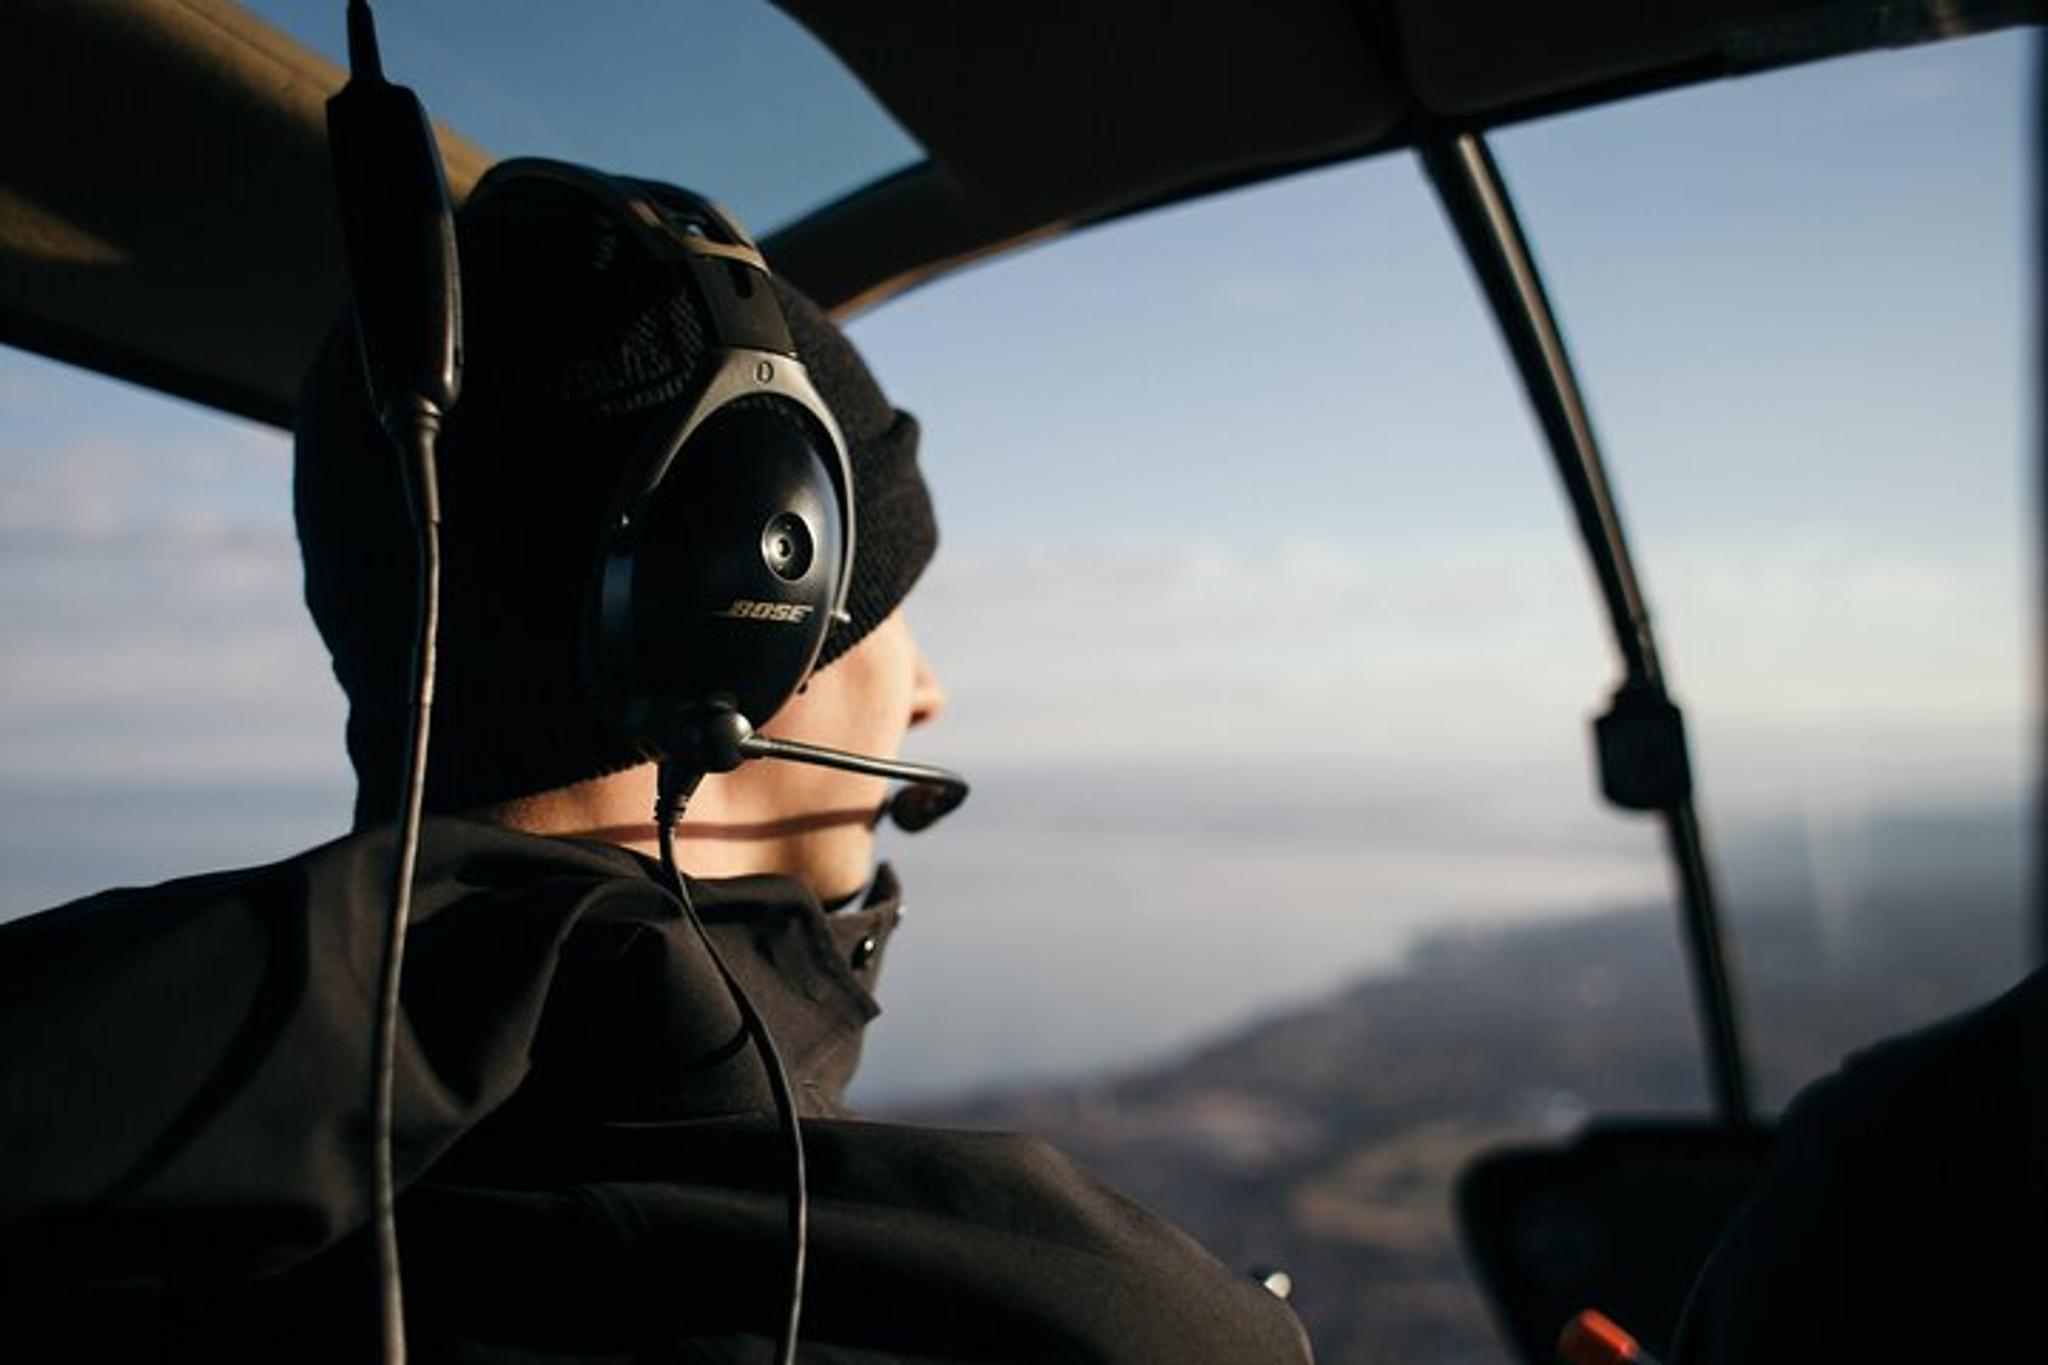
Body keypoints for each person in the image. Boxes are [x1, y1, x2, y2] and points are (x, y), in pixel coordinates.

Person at [0, 164, 1312, 1363]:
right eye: (893, 602)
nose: (926, 692)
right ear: (754, 594)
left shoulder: (99, 1125)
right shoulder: (1081, 1324)